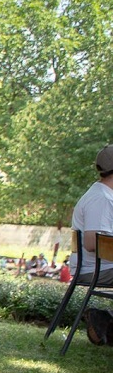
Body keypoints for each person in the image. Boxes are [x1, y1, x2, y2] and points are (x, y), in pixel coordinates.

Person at [70, 145, 113, 345]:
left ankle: (105, 322)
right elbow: (91, 242)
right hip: (96, 269)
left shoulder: (104, 195)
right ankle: (106, 321)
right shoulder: (101, 199)